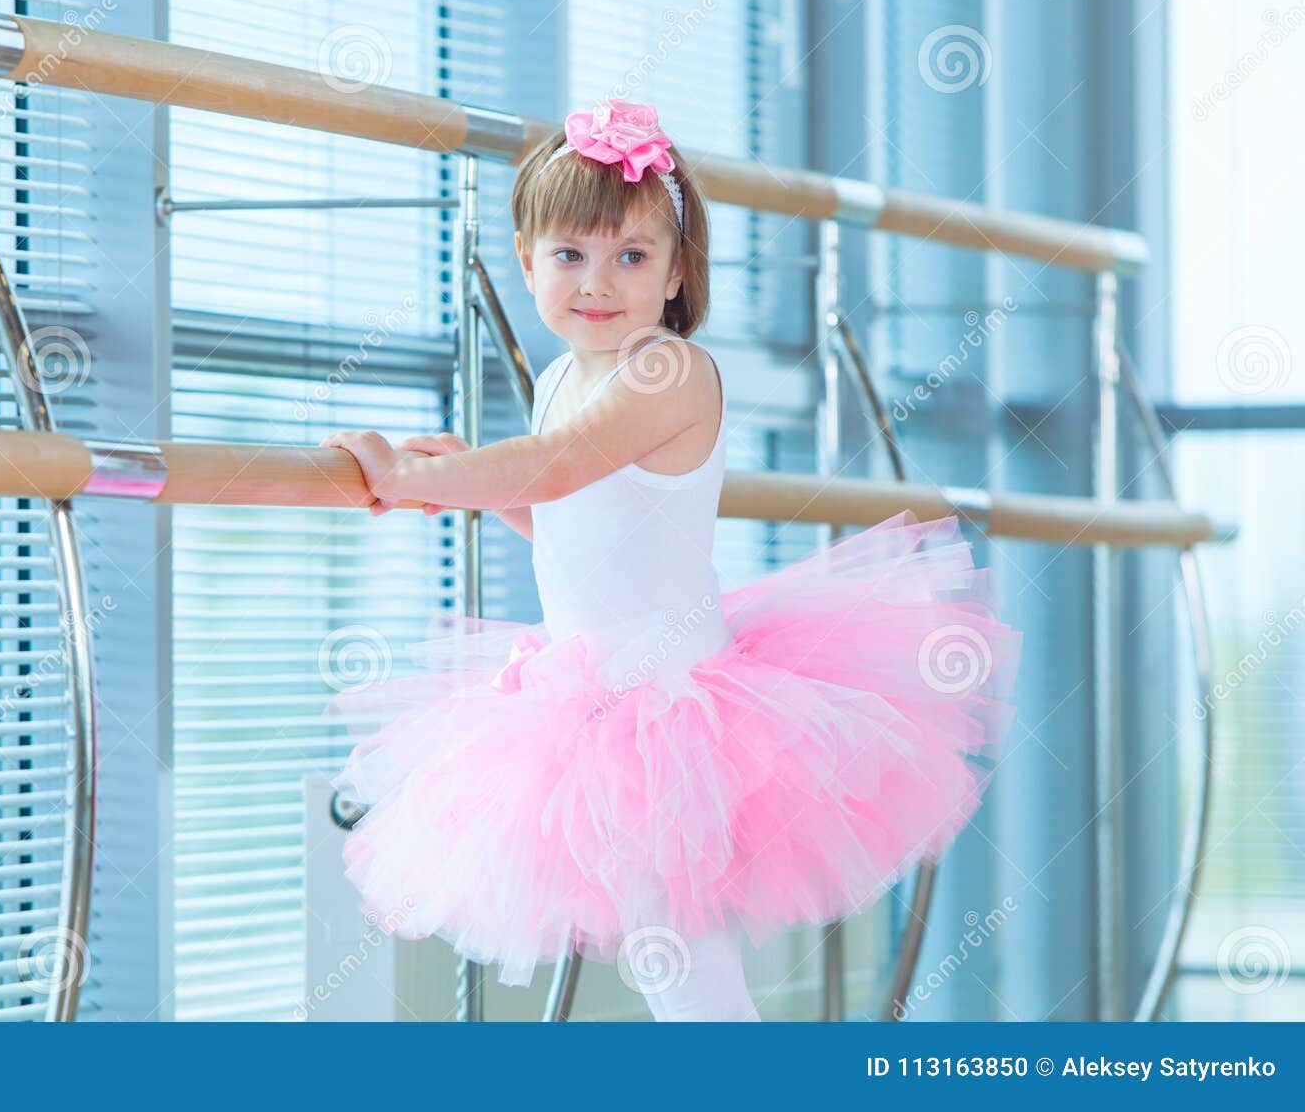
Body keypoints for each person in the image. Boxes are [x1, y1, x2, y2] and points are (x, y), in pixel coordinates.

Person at [317, 99, 1023, 1022]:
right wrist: (475, 483)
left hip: (671, 705)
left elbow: (559, 463)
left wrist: (413, 475)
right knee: (670, 966)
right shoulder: (568, 376)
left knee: (686, 971)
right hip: (586, 692)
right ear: (526, 261)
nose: (597, 282)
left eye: (631, 257)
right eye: (569, 254)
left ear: (676, 271)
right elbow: (569, 516)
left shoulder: (667, 369)